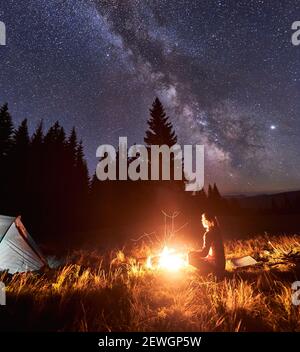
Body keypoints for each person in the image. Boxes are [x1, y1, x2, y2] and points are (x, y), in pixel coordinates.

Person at [188, 211, 225, 278]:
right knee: (196, 256)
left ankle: (207, 270)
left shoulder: (208, 234)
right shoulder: (217, 231)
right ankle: (207, 270)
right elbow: (213, 252)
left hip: (215, 267)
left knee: (191, 257)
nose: (202, 221)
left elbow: (204, 253)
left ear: (208, 221)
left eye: (203, 219)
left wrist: (192, 253)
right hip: (222, 266)